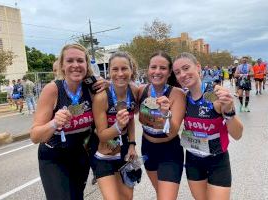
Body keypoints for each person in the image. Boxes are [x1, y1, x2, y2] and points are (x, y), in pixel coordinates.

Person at [30, 43, 107, 200]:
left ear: (86, 64)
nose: (75, 65)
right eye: (70, 61)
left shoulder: (92, 87)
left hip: (80, 154)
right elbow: (35, 136)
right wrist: (54, 123)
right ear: (62, 66)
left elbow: (128, 93)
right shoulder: (53, 90)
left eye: (80, 60)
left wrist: (110, 85)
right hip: (54, 155)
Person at [172, 52, 243, 200]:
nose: (182, 74)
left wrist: (229, 111)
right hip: (193, 160)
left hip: (217, 160)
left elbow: (237, 135)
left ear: (198, 67)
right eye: (177, 72)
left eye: (186, 68)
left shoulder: (216, 94)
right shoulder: (183, 98)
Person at [138, 51, 185, 199]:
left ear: (169, 72)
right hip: (147, 149)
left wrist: (165, 114)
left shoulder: (177, 94)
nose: (157, 71)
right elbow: (120, 96)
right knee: (161, 193)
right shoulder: (141, 91)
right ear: (148, 69)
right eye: (153, 67)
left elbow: (172, 131)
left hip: (169, 151)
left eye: (163, 68)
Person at [92, 51, 138, 200]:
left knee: (127, 198)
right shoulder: (102, 97)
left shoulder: (134, 91)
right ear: (109, 71)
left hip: (125, 152)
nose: (120, 73)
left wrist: (132, 144)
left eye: (124, 68)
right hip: (105, 154)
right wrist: (117, 126)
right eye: (115, 69)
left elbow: (130, 119)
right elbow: (102, 134)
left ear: (131, 70)